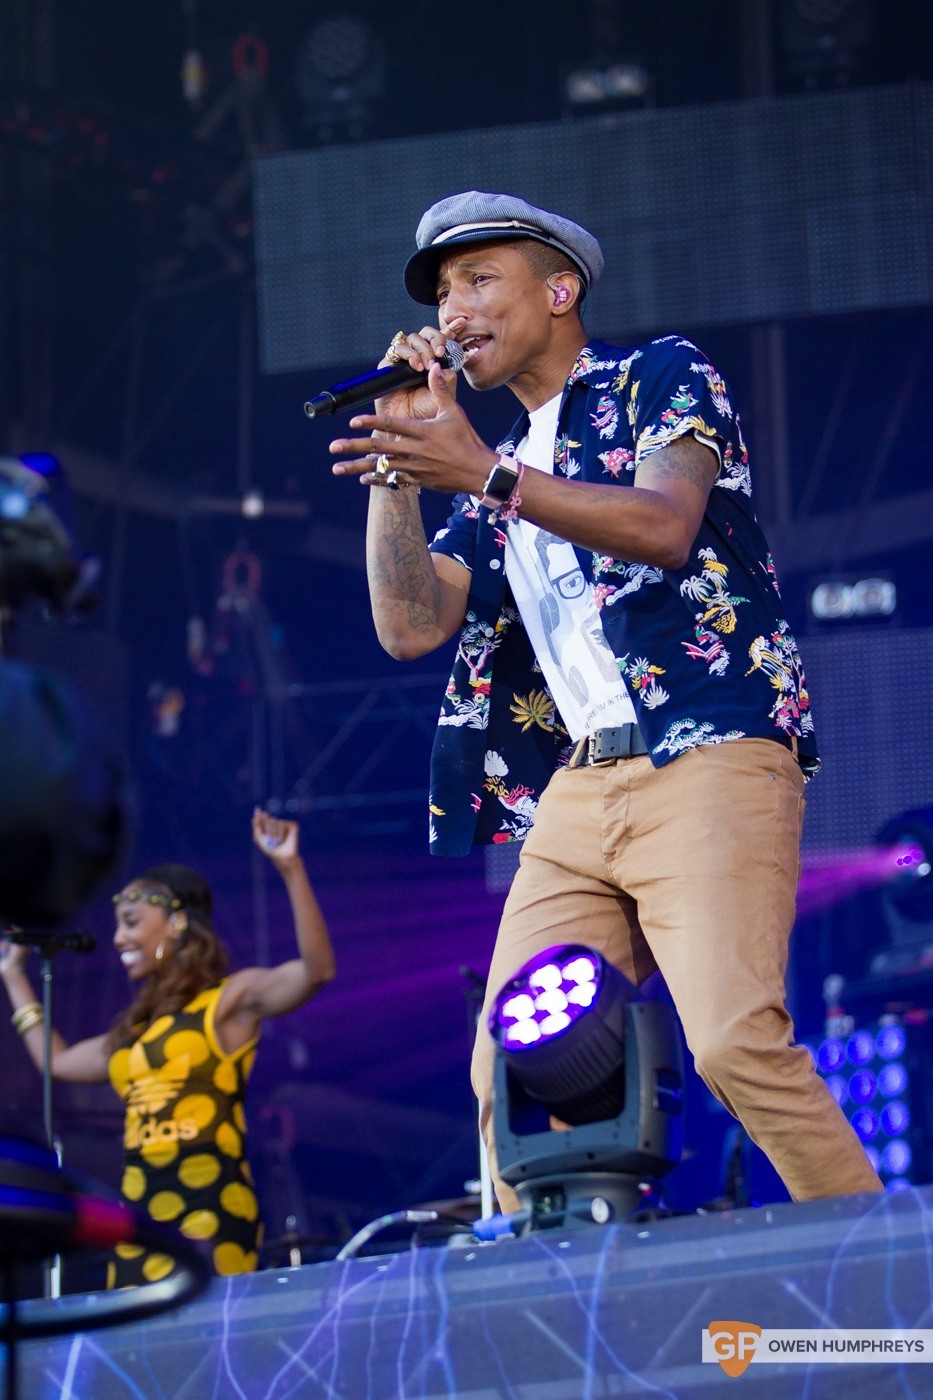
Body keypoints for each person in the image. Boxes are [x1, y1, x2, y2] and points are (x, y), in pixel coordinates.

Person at [328, 189, 883, 1211]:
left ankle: (893, 1280)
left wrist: (483, 473)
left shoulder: (658, 378)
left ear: (560, 287)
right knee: (504, 1059)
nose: (453, 313)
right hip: (580, 794)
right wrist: (397, 473)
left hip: (707, 753)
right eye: (443, 295)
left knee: (732, 1041)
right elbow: (411, 624)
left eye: (478, 280)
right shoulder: (488, 473)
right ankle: (556, 1309)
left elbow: (668, 524)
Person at [0, 808, 335, 1285]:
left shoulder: (226, 1003)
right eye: (118, 926)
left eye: (132, 922)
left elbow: (316, 971)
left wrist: (290, 868)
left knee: (207, 1346)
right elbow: (58, 1062)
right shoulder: (133, 1033)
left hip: (211, 1208)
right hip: (140, 1217)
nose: (119, 938)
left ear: (177, 923)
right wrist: (14, 977)